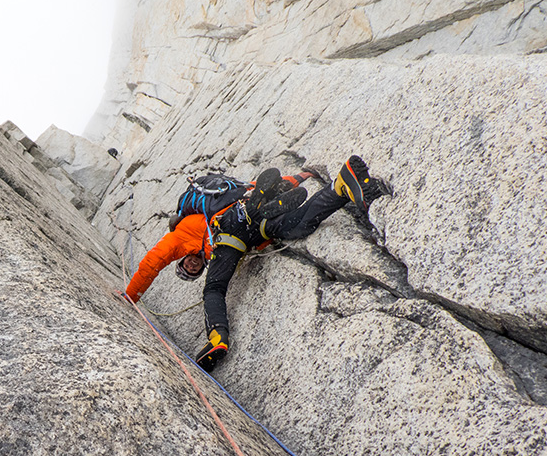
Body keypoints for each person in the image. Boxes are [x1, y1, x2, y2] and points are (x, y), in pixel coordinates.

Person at [195, 155, 386, 372]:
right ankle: (341, 185)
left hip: (230, 232)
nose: (193, 266)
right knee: (299, 225)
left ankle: (218, 337)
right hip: (257, 224)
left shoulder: (192, 222)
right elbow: (275, 178)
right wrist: (302, 176)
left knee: (214, 288)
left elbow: (167, 257)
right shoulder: (223, 191)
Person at [121, 171, 313, 303]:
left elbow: (151, 264)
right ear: (200, 271)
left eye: (186, 266)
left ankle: (282, 190)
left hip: (227, 211)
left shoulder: (177, 239)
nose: (191, 266)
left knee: (256, 193)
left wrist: (131, 296)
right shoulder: (211, 256)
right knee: (256, 227)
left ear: (181, 260)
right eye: (193, 271)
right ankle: (272, 206)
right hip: (238, 225)